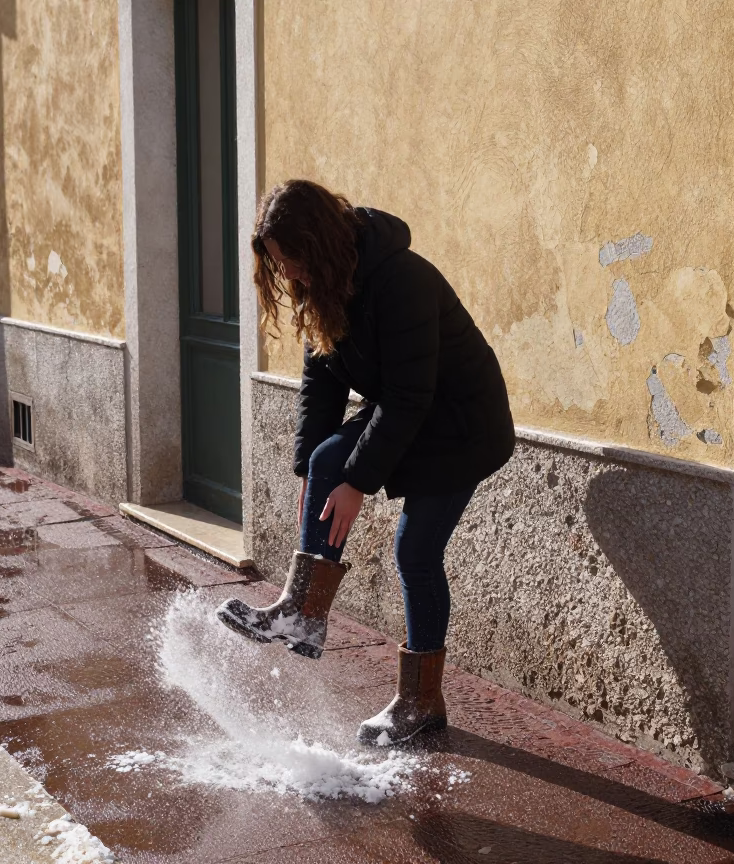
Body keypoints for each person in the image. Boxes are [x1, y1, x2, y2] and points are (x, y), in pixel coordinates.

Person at [217, 179, 514, 745]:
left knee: (416, 551)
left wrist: (357, 482)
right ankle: (301, 611)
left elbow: (409, 397)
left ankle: (420, 701)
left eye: (293, 262)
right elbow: (321, 382)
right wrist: (311, 467)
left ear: (320, 244)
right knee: (327, 456)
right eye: (281, 267)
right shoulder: (322, 285)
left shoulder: (401, 280)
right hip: (412, 410)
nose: (290, 277)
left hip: (461, 425)